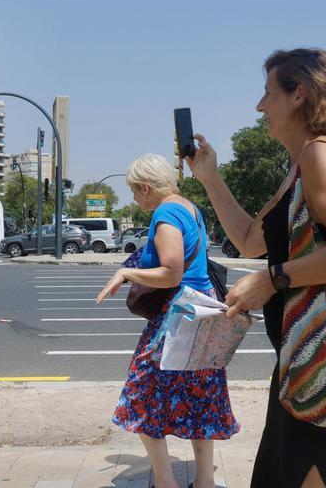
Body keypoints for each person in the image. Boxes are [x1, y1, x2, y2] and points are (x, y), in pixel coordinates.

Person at [187, 48, 326, 487]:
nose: (259, 105)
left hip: (322, 362)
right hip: (303, 363)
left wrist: (273, 280)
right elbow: (250, 240)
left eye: (267, 92)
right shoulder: (299, 168)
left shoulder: (320, 156)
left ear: (299, 95)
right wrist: (210, 177)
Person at [97, 153, 238, 488]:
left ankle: (165, 482)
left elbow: (171, 272)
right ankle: (204, 482)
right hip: (202, 312)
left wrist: (125, 271)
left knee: (140, 395)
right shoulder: (190, 208)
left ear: (146, 188)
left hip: (174, 319)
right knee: (201, 396)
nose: (134, 197)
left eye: (134, 191)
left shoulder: (166, 213)